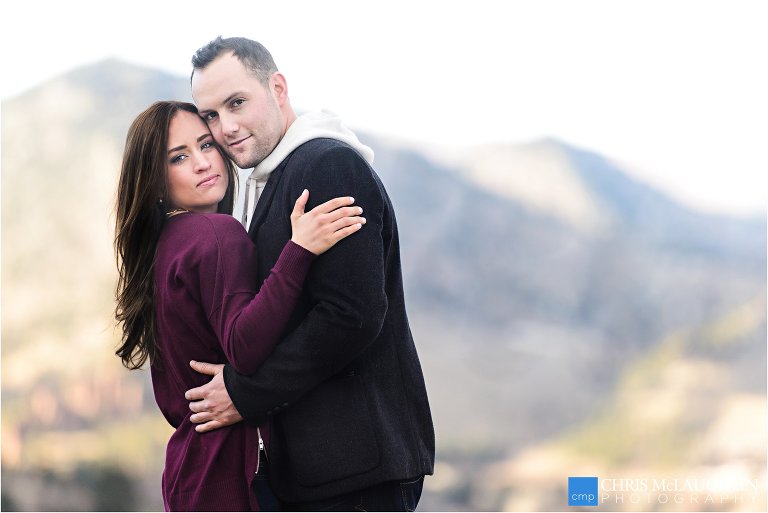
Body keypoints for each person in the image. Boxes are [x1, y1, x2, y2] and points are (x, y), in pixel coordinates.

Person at [184, 36, 435, 511]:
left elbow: (352, 313)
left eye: (237, 103)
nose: (227, 127)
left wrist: (244, 392)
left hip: (356, 470)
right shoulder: (270, 179)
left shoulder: (329, 165)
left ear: (277, 87)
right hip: (315, 470)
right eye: (212, 115)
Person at [113, 100, 366, 511]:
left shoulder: (164, 248)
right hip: (232, 477)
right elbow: (244, 346)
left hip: (190, 475)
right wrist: (298, 250)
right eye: (179, 157)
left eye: (206, 146)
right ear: (156, 181)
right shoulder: (216, 234)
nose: (201, 163)